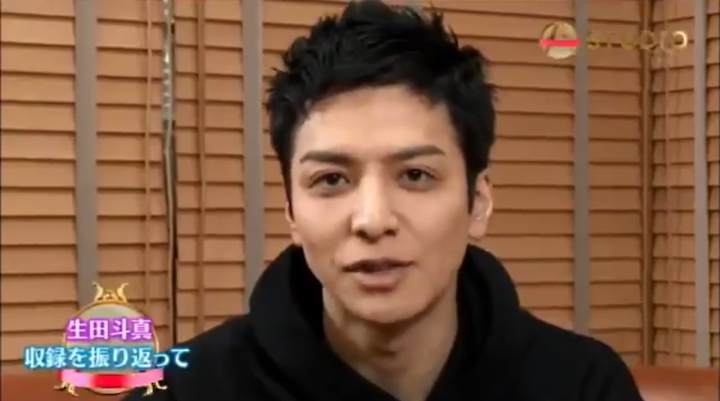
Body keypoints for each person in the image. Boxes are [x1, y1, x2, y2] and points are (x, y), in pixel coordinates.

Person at [124, 1, 644, 400]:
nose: (373, 220)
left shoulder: (582, 385)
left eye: (416, 175)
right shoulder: (184, 390)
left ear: (478, 202)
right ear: (291, 212)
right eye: (331, 179)